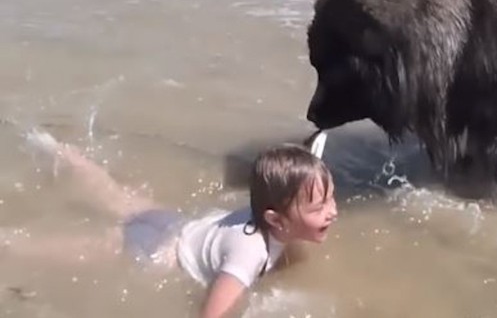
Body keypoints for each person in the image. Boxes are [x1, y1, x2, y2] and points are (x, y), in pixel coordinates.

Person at [4, 130, 337, 318]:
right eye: (320, 206)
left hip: (177, 225)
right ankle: (10, 243)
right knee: (81, 249)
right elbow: (211, 314)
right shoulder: (248, 256)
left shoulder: (262, 212)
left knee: (117, 197)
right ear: (276, 220)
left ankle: (59, 152)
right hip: (157, 255)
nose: (333, 212)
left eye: (331, 199)